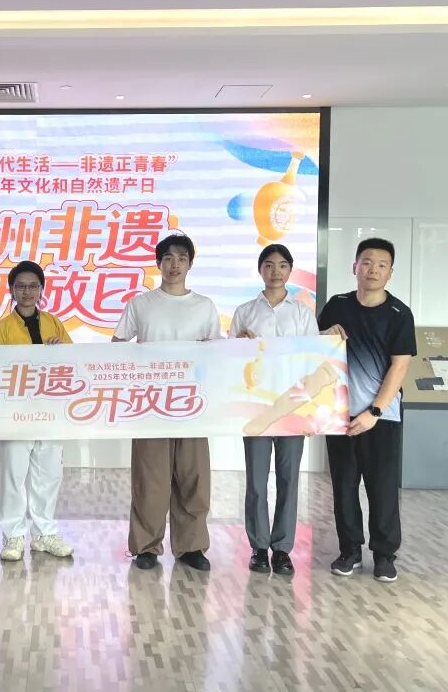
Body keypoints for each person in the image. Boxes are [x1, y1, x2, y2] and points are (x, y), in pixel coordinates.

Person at [112, 233, 221, 572]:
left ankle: (191, 547)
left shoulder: (204, 306)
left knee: (193, 479)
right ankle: (146, 546)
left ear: (190, 264)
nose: (175, 265)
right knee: (150, 480)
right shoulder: (141, 304)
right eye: (169, 258)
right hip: (150, 405)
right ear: (158, 263)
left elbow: (217, 354)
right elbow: (117, 345)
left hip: (193, 405)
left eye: (182, 259)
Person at [317, 238, 416, 583]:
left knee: (382, 486)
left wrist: (373, 411)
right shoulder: (337, 305)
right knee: (344, 486)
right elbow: (316, 349)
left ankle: (385, 555)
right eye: (367, 262)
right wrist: (325, 333)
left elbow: (399, 367)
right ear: (354, 267)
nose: (373, 269)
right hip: (339, 414)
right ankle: (350, 551)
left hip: (381, 417)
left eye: (381, 264)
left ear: (390, 273)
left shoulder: (399, 314)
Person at [230, 244, 319, 577]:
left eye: (282, 265)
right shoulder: (245, 312)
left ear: (290, 270)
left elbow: (313, 361)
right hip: (256, 408)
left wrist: (312, 412)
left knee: (288, 479)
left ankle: (282, 549)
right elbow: (231, 360)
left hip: (293, 407)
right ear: (260, 270)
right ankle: (258, 547)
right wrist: (238, 344)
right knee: (256, 481)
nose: (276, 271)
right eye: (269, 265)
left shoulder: (303, 313)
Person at [0, 260, 75, 562]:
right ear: (12, 290)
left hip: (50, 410)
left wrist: (60, 349)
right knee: (13, 476)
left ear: (41, 289)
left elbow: (74, 361)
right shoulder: (2, 328)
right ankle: (13, 536)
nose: (27, 292)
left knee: (48, 476)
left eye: (33, 286)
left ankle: (44, 534)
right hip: (14, 413)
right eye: (21, 286)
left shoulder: (54, 323)